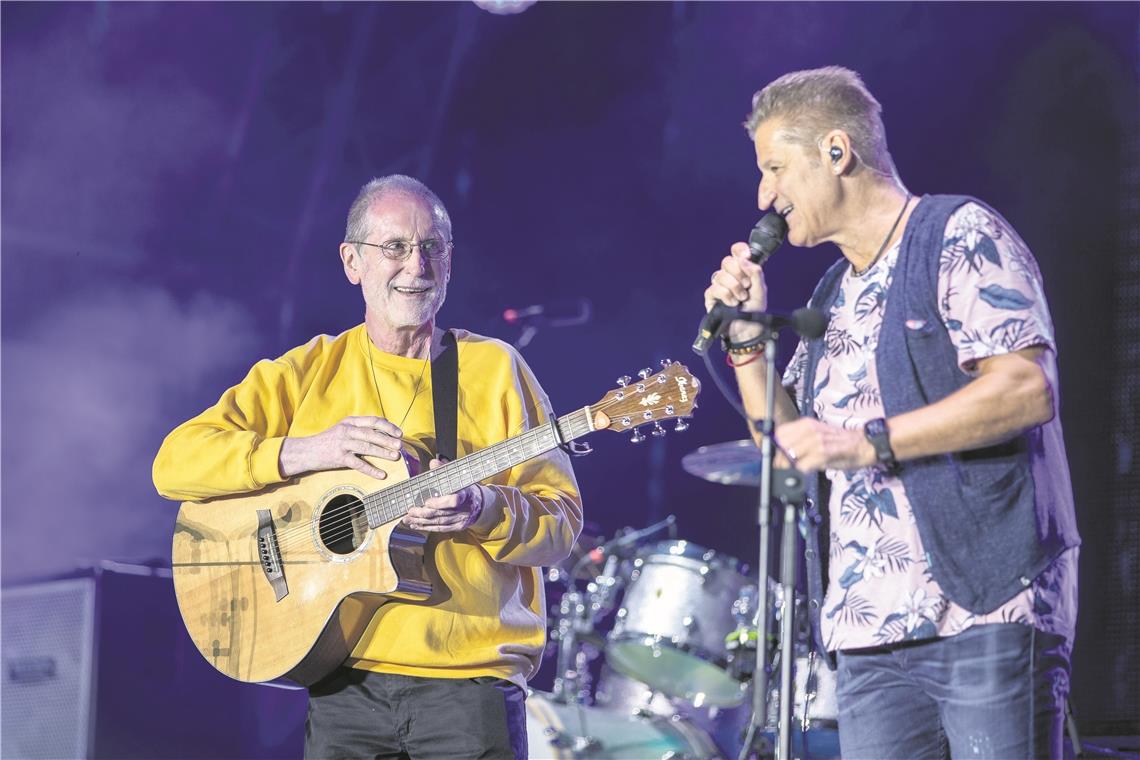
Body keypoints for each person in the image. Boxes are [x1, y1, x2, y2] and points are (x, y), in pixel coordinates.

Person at [703, 67, 1079, 758]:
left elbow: (1027, 389)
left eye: (776, 168)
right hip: (867, 636)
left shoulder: (957, 234)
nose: (765, 195)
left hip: (984, 613)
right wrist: (750, 344)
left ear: (837, 153)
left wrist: (868, 442)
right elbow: (786, 447)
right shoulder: (832, 292)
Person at [153, 175, 583, 759]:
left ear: (450, 263)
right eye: (395, 248)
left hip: (469, 686)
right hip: (342, 680)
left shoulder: (494, 369)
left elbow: (560, 526)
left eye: (432, 247)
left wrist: (483, 509)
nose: (416, 265)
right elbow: (174, 463)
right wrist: (305, 451)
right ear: (352, 261)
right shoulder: (310, 370)